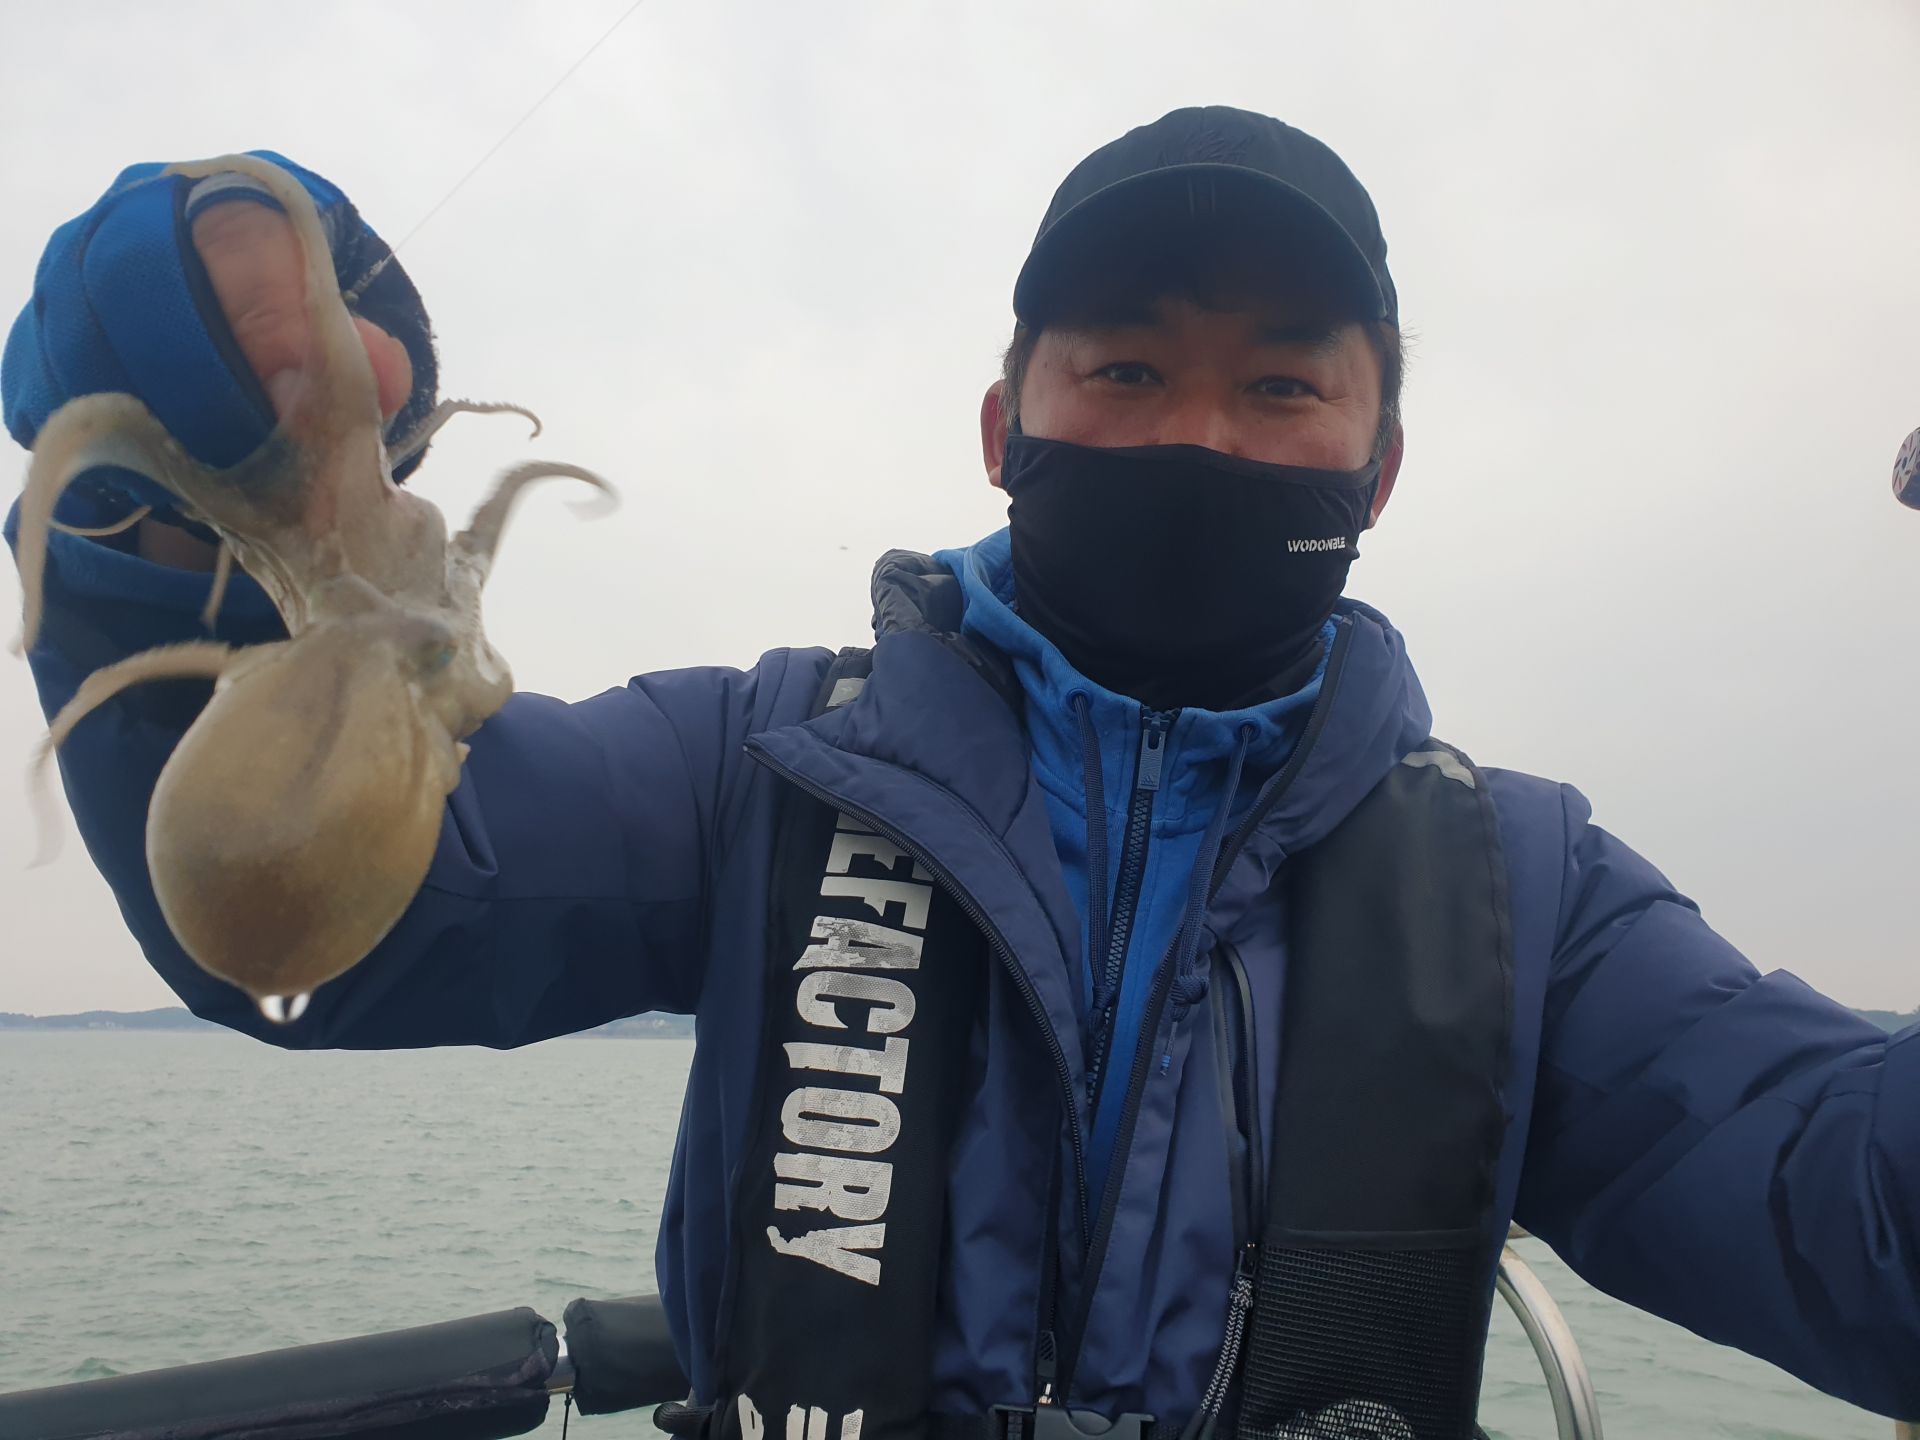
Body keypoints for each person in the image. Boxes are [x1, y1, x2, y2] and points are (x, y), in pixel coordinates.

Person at [5, 107, 1916, 1440]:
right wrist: (177, 492)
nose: (1196, 434)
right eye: (1124, 372)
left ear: (1380, 463)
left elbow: (1861, 1227)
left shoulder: (1532, 901)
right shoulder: (757, 768)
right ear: (1006, 427)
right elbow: (326, 926)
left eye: (1281, 386)